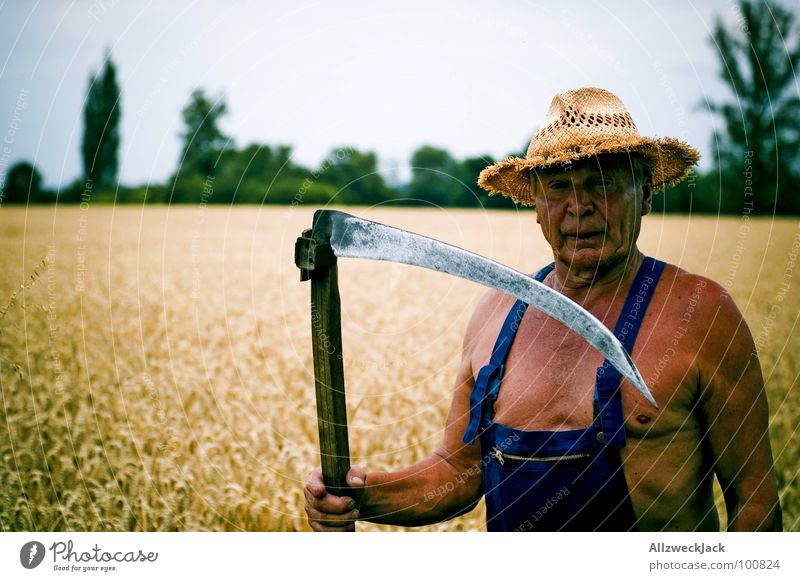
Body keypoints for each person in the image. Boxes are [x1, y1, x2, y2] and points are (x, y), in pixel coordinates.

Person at [303, 87, 782, 532]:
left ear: (646, 194)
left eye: (602, 182)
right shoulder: (495, 313)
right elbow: (458, 473)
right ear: (534, 204)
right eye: (557, 187)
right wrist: (355, 496)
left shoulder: (701, 314)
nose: (579, 206)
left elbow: (754, 500)